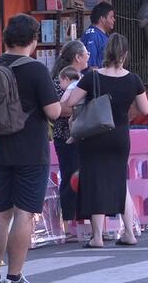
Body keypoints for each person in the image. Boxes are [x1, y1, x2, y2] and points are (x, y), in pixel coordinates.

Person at [0, 14, 61, 283]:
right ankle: (14, 276)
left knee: (0, 213)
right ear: (34, 40)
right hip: (31, 151)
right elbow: (53, 111)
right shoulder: (36, 69)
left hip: (0, 149)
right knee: (24, 214)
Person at [65, 34, 148, 248]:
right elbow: (145, 109)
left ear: (106, 52)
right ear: (126, 55)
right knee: (121, 183)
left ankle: (97, 237)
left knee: (94, 182)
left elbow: (72, 102)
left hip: (95, 136)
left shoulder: (92, 78)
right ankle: (129, 232)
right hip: (120, 136)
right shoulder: (133, 79)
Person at [49, 40, 90, 238]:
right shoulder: (60, 80)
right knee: (70, 177)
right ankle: (68, 223)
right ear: (78, 57)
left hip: (85, 136)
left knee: (87, 178)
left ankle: (87, 223)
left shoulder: (86, 78)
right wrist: (79, 105)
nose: (89, 56)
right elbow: (60, 110)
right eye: (86, 53)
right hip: (65, 136)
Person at [80, 1, 115, 71]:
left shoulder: (100, 34)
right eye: (111, 17)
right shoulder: (92, 36)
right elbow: (91, 67)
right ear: (102, 19)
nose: (114, 20)